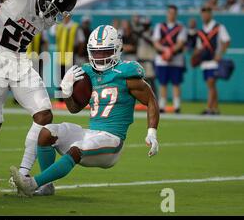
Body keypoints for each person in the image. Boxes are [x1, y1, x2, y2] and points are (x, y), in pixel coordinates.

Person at [10, 25, 160, 196]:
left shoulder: (126, 74)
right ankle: (47, 186)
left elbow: (151, 100)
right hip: (91, 133)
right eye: (96, 52)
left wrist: (152, 132)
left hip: (111, 140)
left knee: (76, 148)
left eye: (105, 52)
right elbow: (74, 109)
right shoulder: (88, 73)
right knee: (47, 132)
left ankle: (32, 184)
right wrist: (66, 93)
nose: (100, 56)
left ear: (117, 50)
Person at [0, 0, 77, 191]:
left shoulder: (45, 18)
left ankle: (23, 174)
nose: (55, 15)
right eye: (56, 8)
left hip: (20, 62)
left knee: (44, 114)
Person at [193, 6, 231, 115]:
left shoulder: (219, 27)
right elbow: (199, 47)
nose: (204, 15)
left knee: (211, 83)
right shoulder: (201, 31)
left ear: (211, 14)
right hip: (205, 62)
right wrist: (195, 55)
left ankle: (209, 108)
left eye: (207, 13)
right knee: (211, 85)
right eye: (203, 13)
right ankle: (215, 108)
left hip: (214, 61)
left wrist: (220, 54)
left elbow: (226, 41)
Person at [152, 5, 187, 113]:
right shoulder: (160, 26)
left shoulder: (181, 27)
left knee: (176, 83)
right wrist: (165, 50)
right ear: (167, 13)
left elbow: (181, 43)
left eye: (173, 13)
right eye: (170, 12)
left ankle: (177, 105)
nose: (171, 15)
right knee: (163, 83)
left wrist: (170, 51)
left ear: (176, 14)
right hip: (162, 60)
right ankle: (162, 105)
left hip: (176, 60)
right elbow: (156, 42)